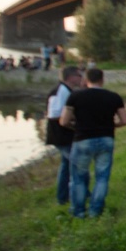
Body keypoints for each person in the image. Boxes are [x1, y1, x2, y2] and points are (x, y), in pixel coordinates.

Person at [60, 68, 126, 218]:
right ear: (102, 80)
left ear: (86, 80)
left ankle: (78, 211)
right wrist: (112, 126)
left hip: (83, 139)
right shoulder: (113, 97)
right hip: (106, 138)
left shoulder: (75, 96)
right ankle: (95, 210)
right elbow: (124, 120)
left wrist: (76, 126)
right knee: (102, 177)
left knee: (78, 178)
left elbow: (64, 121)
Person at [45, 66, 83, 205]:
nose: (81, 78)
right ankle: (78, 194)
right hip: (60, 135)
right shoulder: (60, 91)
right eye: (78, 75)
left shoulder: (67, 91)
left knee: (66, 165)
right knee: (77, 163)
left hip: (66, 134)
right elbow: (54, 114)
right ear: (70, 77)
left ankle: (63, 197)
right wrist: (73, 123)